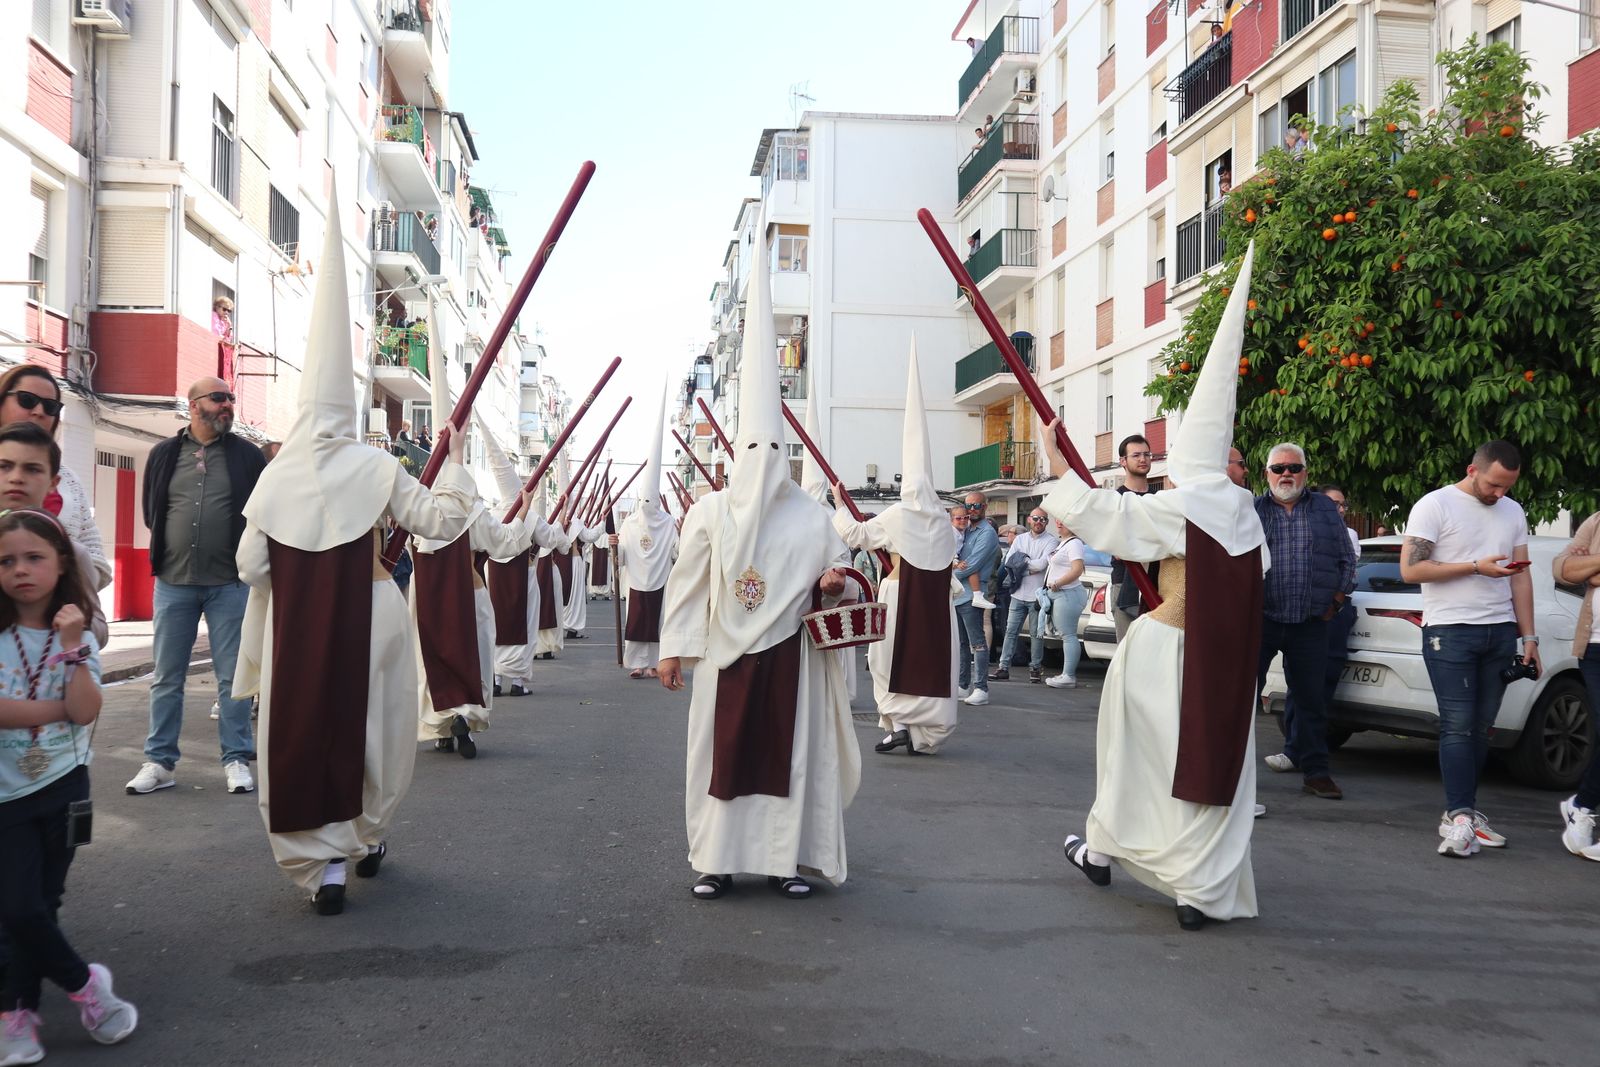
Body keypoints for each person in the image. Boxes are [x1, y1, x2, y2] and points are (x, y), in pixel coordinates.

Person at [231, 192, 475, 915]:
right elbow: (440, 522)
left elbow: (250, 566)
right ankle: (363, 837)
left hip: (299, 628)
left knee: (302, 727)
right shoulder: (376, 466)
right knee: (374, 731)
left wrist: (300, 565)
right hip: (372, 613)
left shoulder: (275, 477)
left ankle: (323, 865)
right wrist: (455, 462)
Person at [1052, 244, 1267, 931]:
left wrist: (1062, 462)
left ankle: (1104, 850)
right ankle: (1198, 887)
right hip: (1225, 666)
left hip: (1163, 653)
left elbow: (1110, 518)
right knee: (1210, 767)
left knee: (1137, 761)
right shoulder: (1246, 514)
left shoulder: (1183, 504)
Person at [658, 220, 859, 902]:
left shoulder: (812, 516)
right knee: (720, 758)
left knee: (789, 758)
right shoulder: (710, 512)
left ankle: (783, 863)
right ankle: (716, 861)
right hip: (724, 659)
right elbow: (687, 584)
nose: (763, 463)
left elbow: (845, 583)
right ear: (736, 452)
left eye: (774, 451)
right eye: (752, 450)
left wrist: (833, 583)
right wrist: (672, 650)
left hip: (790, 659)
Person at [0, 508, 138, 1059]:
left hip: (63, 786)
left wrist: (74, 645)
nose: (20, 570)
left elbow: (85, 710)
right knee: (17, 908)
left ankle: (17, 1013)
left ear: (61, 564)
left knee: (42, 903)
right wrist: (56, 710)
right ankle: (86, 987)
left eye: (34, 557)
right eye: (6, 561)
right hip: (5, 794)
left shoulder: (76, 639)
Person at [126, 378, 267, 798]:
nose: (227, 405)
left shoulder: (247, 456)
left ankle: (235, 758)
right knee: (166, 676)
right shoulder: (164, 454)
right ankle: (159, 762)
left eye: (231, 399)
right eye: (218, 398)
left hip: (230, 584)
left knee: (232, 678)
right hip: (174, 582)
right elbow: (153, 511)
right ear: (193, 406)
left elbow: (262, 513)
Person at [1399, 440, 1538, 858]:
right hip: (1450, 630)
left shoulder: (1513, 511)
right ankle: (1459, 817)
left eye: (1508, 486)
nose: (1500, 493)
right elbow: (1411, 569)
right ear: (1472, 470)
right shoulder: (1435, 505)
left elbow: (1521, 577)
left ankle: (1466, 814)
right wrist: (1476, 567)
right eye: (1494, 484)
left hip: (1500, 632)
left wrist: (1529, 638)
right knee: (1458, 726)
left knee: (1481, 728)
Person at [831, 343, 960, 755]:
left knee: (885, 660)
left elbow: (856, 535)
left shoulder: (899, 515)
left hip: (899, 594)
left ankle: (900, 723)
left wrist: (839, 504)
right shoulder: (943, 520)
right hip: (937, 603)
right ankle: (922, 733)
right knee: (932, 661)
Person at [1252, 447, 1357, 801]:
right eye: (1279, 468)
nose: (1287, 474)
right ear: (1266, 473)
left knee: (1312, 701)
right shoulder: (1253, 510)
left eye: (1294, 467)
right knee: (1244, 699)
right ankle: (1235, 777)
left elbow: (1346, 559)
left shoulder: (1324, 508)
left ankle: (1316, 772)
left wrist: (1336, 601)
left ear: (1305, 473)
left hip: (1311, 622)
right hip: (1262, 620)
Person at [414, 487, 538, 761]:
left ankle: (443, 730)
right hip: (470, 594)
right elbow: (506, 542)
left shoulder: (421, 507)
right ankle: (464, 718)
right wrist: (524, 508)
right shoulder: (473, 512)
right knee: (475, 659)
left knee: (433, 661)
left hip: (430, 597)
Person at [1274, 483, 1361, 775]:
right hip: (1292, 613)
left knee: (1319, 687)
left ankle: (1309, 757)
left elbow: (1346, 569)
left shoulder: (1347, 534)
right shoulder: (1288, 522)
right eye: (1333, 504)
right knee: (1296, 684)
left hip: (1327, 613)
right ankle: (1293, 749)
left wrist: (1333, 604)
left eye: (1342, 504)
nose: (1339, 509)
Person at [0, 365, 110, 591]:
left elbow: (97, 561)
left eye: (50, 406)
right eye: (27, 400)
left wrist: (54, 592)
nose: (39, 411)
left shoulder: (68, 479)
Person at [0, 423, 107, 649]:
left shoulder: (71, 552)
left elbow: (99, 629)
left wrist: (74, 625)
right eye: (4, 466)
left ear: (53, 483)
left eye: (32, 469)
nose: (16, 477)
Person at [617, 399, 679, 679]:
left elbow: (676, 552)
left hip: (659, 580)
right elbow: (621, 556)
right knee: (637, 622)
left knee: (658, 622)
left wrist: (684, 535)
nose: (646, 506)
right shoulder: (630, 523)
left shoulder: (667, 523)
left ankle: (655, 663)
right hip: (637, 582)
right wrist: (615, 548)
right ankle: (638, 663)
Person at [1552, 511, 1600, 860]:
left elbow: (1580, 571)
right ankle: (1582, 808)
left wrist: (1591, 567)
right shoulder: (1597, 522)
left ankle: (1581, 805)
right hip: (1595, 647)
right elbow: (1563, 569)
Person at [994, 510, 1060, 683]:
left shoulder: (1052, 541)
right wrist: (1029, 568)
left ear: (1047, 522)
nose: (1039, 521)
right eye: (1035, 518)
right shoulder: (1020, 539)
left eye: (1043, 519)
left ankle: (1035, 668)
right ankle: (1003, 667)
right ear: (1029, 520)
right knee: (1010, 631)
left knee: (1036, 634)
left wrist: (1021, 565)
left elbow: (1042, 565)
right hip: (1018, 593)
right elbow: (1009, 562)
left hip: (1037, 595)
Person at [1108, 435, 1160, 641]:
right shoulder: (1114, 499)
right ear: (1123, 461)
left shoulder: (1159, 499)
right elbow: (1117, 547)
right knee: (1127, 650)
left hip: (1158, 585)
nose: (1143, 459)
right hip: (1125, 584)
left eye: (1146, 454)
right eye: (1136, 455)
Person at [954, 492, 999, 707]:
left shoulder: (987, 533)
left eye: (977, 505)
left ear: (985, 506)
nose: (972, 509)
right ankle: (963, 685)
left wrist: (946, 575)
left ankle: (981, 688)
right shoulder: (966, 529)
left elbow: (973, 564)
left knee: (977, 643)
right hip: (957, 594)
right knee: (962, 643)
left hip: (972, 594)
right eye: (968, 505)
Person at [1041, 519, 1089, 688]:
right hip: (1060, 593)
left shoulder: (1074, 543)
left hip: (1067, 593)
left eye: (1065, 521)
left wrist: (1058, 583)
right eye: (1058, 520)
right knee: (1065, 635)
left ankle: (1068, 676)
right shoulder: (1065, 542)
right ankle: (1066, 674)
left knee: (1068, 635)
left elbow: (1077, 569)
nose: (1059, 523)